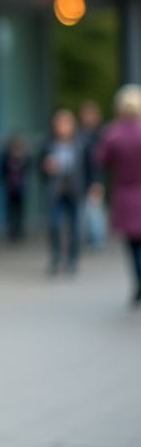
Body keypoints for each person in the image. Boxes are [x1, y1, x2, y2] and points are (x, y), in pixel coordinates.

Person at [96, 85, 141, 306]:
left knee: (133, 244)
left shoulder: (113, 134)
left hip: (125, 193)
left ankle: (138, 282)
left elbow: (102, 160)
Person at [40, 109, 90, 275]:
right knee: (54, 225)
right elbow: (39, 168)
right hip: (56, 192)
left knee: (76, 227)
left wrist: (94, 186)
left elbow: (90, 167)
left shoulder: (81, 144)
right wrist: (46, 167)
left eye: (65, 123)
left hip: (75, 191)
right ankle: (56, 257)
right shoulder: (49, 144)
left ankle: (72, 260)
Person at [78, 99, 108, 250]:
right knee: (82, 213)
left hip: (94, 178)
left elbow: (100, 162)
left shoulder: (100, 135)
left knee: (95, 212)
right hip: (80, 179)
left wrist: (98, 181)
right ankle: (83, 240)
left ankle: (98, 241)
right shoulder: (78, 135)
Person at [0, 134, 30, 242]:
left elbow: (28, 170)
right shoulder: (6, 157)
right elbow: (1, 171)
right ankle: (11, 232)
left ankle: (19, 231)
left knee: (20, 211)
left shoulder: (24, 157)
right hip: (10, 189)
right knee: (10, 212)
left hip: (21, 188)